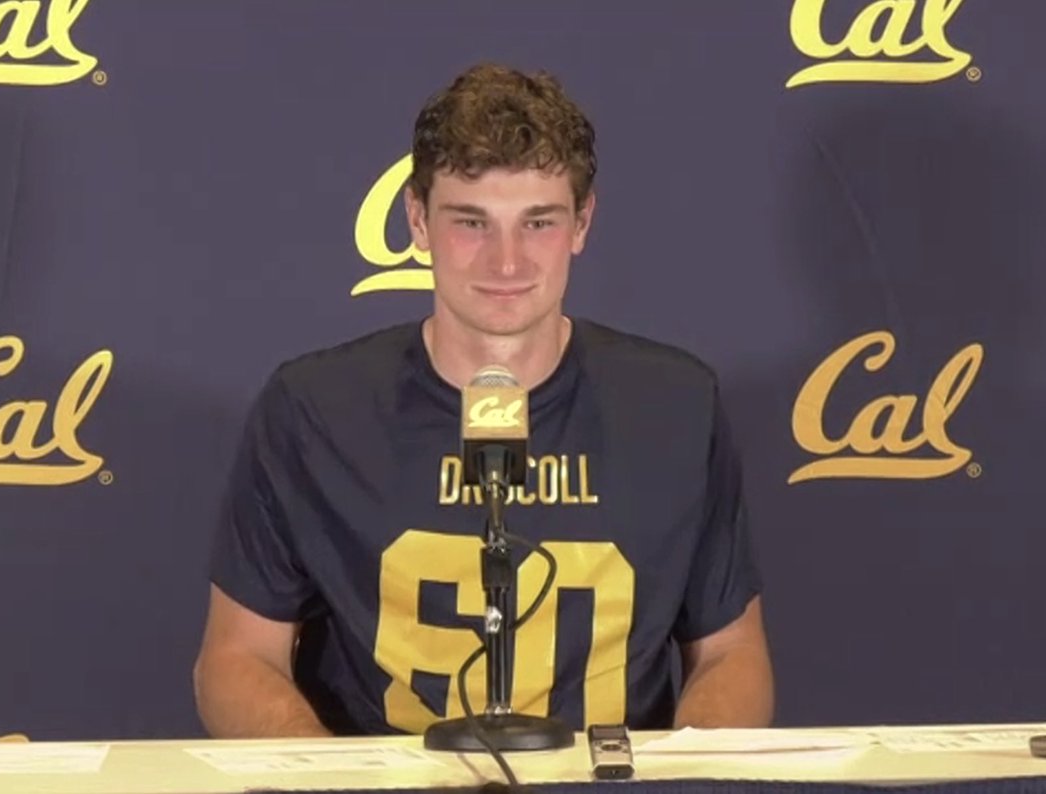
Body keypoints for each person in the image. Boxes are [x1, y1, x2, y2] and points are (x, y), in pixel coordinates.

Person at [193, 63, 774, 738]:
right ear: (417, 219)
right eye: (472, 222)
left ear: (582, 223)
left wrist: (685, 779)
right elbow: (237, 658)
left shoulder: (676, 406)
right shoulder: (312, 410)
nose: (506, 263)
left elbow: (732, 653)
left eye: (538, 223)